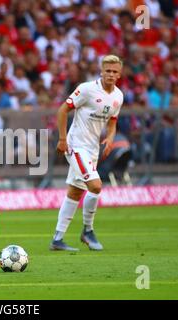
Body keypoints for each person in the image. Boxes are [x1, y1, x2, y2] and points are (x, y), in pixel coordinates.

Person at [49, 55, 124, 252]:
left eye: (115, 71)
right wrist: (63, 139)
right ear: (101, 71)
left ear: (119, 74)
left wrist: (110, 137)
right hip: (76, 145)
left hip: (92, 149)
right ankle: (88, 231)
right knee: (95, 185)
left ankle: (57, 239)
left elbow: (113, 121)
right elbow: (62, 110)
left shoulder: (118, 96)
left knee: (75, 191)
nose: (111, 74)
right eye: (108, 70)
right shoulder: (87, 89)